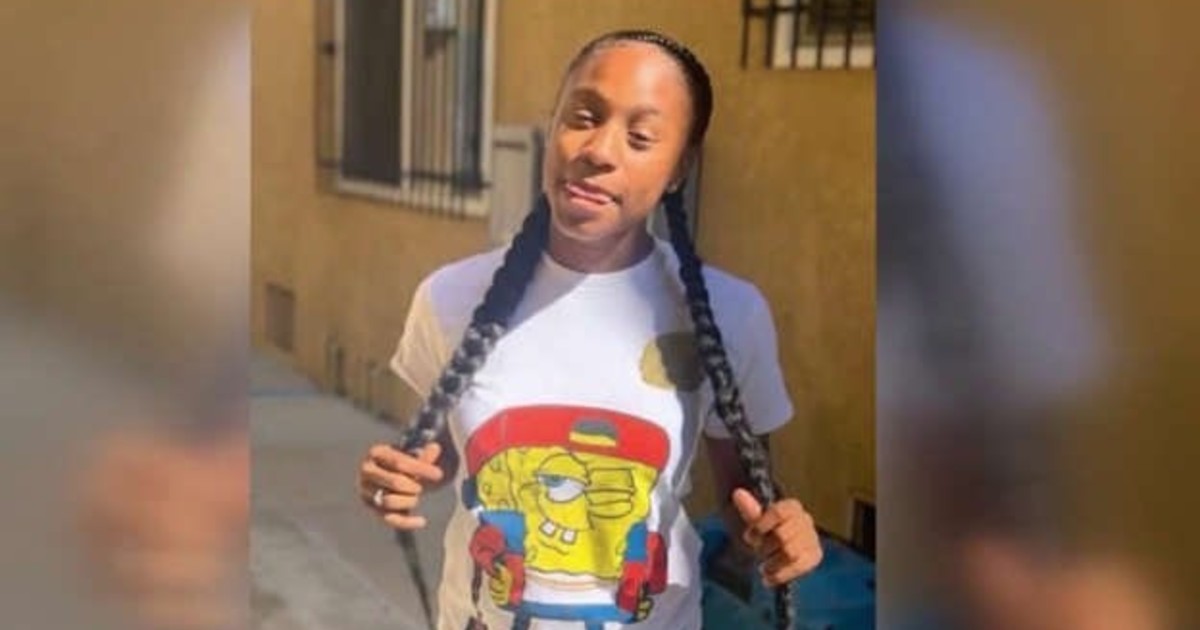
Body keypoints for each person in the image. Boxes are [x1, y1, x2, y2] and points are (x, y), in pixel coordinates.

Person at [356, 30, 821, 630]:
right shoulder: (450, 298)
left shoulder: (731, 315)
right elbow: (447, 453)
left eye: (640, 137)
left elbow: (745, 501)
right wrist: (399, 477)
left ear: (678, 168)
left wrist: (781, 534)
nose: (599, 150)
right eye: (583, 117)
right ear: (553, 126)